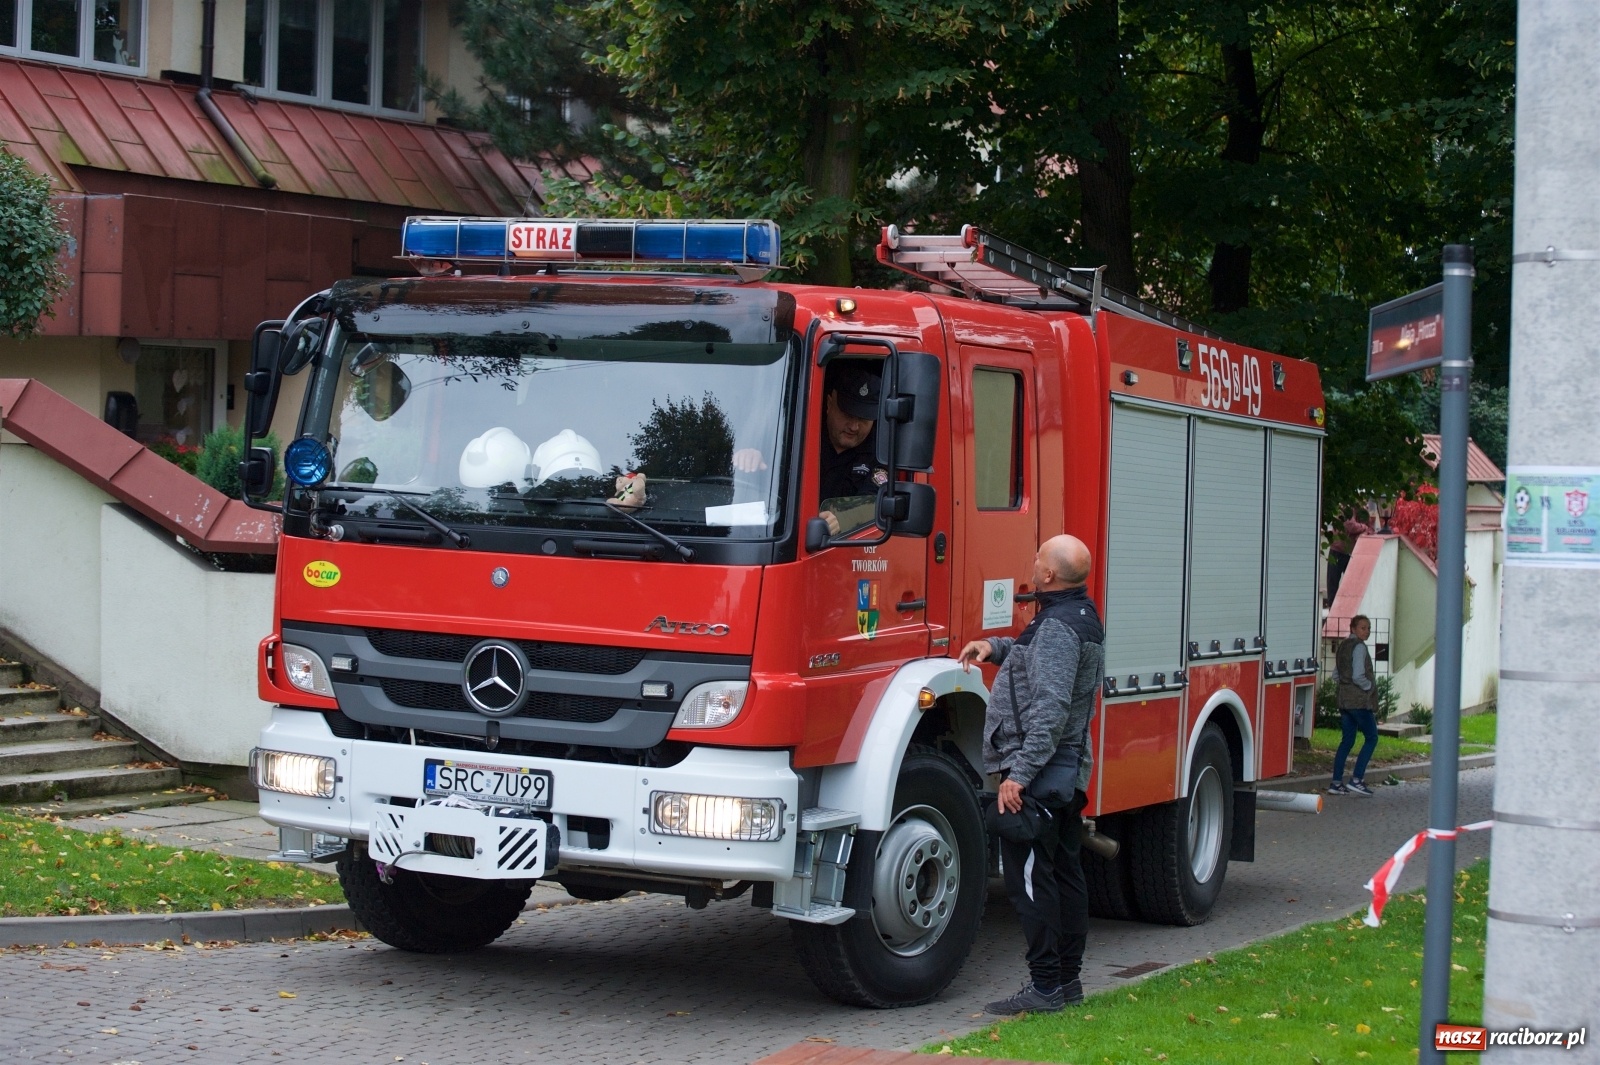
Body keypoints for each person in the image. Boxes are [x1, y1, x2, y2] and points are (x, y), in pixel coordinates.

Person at [959, 534, 1104, 1015]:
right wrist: (994, 647)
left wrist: (1018, 775)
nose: (1033, 559)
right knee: (1064, 874)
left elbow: (1051, 707)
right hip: (1063, 770)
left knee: (1031, 882)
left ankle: (1045, 988)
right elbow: (1036, 660)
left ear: (1048, 574)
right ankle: (1067, 983)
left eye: (1039, 555)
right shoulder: (1074, 614)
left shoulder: (1059, 626)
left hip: (1040, 774)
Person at [734, 362, 886, 535]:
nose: (854, 426)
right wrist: (752, 457)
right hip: (781, 537)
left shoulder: (881, 453)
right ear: (829, 404)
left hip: (844, 544)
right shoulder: (797, 435)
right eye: (848, 415)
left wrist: (842, 519)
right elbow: (767, 477)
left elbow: (875, 503)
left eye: (863, 419)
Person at [1330, 615, 1379, 796]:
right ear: (1353, 629)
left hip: (1344, 700)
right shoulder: (1360, 647)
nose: (1367, 631)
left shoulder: (1343, 646)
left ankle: (1336, 782)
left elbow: (1335, 675)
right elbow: (1358, 675)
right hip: (1359, 702)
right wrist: (1369, 686)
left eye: (1368, 628)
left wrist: (1346, 685)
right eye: (1362, 628)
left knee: (1347, 741)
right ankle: (1357, 779)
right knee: (1372, 737)